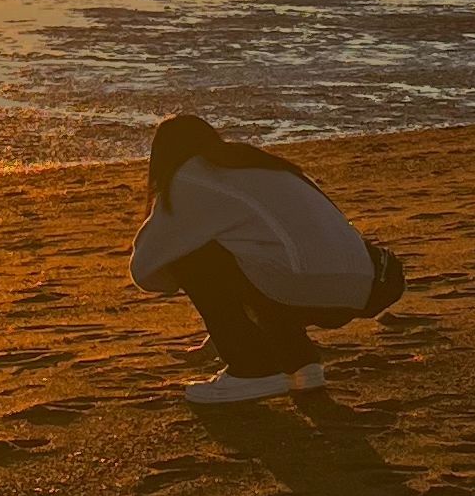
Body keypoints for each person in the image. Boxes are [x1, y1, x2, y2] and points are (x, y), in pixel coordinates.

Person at [129, 112, 406, 406]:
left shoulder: (191, 178)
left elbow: (145, 269)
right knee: (263, 256)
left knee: (197, 255)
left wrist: (204, 295)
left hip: (303, 284)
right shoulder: (259, 163)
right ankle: (301, 364)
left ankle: (252, 369)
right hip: (368, 282)